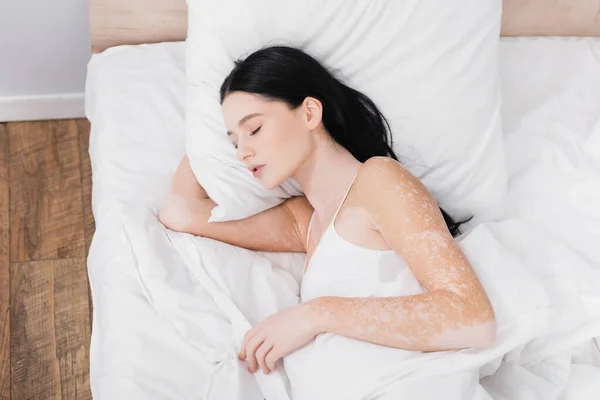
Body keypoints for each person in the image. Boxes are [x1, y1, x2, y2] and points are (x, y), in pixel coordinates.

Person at [159, 45, 496, 379]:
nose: (243, 152)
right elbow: (180, 212)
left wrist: (316, 314)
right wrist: (203, 139)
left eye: (255, 129)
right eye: (233, 141)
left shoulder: (379, 180)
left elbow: (472, 317)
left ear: (309, 113)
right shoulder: (304, 222)